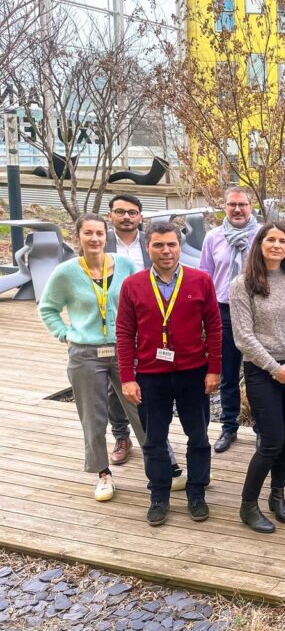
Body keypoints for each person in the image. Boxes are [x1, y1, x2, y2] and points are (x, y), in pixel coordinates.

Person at [39, 214, 151, 501]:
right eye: (88, 233)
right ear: (78, 236)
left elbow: (139, 300)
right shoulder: (65, 272)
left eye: (99, 233)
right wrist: (65, 333)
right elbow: (48, 308)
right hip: (86, 354)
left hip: (124, 349)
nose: (95, 239)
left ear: (106, 235)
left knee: (142, 408)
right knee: (93, 417)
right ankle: (103, 474)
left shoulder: (124, 265)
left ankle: (161, 464)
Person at [117, 222, 222, 527]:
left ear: (179, 246)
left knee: (199, 436)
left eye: (171, 245)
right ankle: (159, 494)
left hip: (193, 372)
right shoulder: (133, 285)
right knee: (154, 439)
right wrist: (127, 376)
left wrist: (214, 368)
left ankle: (196, 491)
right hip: (151, 375)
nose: (166, 251)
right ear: (147, 247)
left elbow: (214, 327)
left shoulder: (200, 280)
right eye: (159, 245)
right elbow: (124, 333)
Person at [231, 223, 285, 534]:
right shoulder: (244, 284)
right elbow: (243, 336)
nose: (277, 245)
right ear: (260, 244)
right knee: (272, 440)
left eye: (283, 240)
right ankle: (248, 504)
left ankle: (278, 494)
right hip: (262, 371)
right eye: (271, 240)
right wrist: (274, 368)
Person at [200, 187, 259, 454]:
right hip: (224, 311)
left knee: (258, 373)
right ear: (224, 206)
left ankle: (260, 427)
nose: (237, 209)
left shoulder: (263, 236)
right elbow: (205, 277)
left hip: (258, 312)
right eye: (232, 204)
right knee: (228, 375)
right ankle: (229, 428)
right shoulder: (213, 238)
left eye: (242, 205)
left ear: (251, 206)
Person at [104, 194, 149, 465]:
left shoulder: (150, 243)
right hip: (113, 323)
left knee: (146, 377)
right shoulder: (100, 243)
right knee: (115, 383)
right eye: (120, 212)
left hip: (148, 321)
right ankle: (121, 436)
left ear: (140, 217)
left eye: (132, 212)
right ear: (111, 215)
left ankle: (152, 435)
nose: (126, 217)